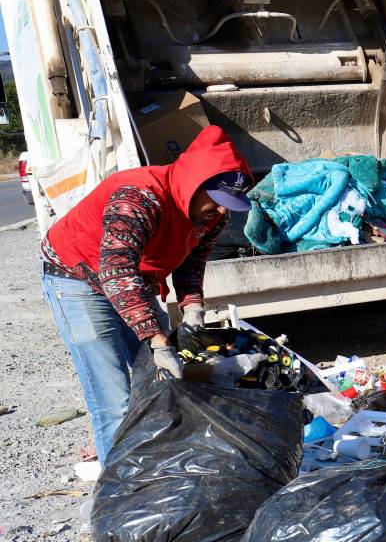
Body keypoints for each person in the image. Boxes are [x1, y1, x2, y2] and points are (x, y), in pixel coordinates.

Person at [41, 125, 253, 466]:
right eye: (219, 202)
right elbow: (116, 269)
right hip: (77, 276)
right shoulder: (139, 196)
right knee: (115, 397)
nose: (224, 213)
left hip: (130, 278)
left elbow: (192, 259)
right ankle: (119, 496)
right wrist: (156, 338)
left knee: (155, 380)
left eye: (231, 205)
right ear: (194, 186)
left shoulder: (209, 214)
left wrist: (192, 304)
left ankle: (151, 467)